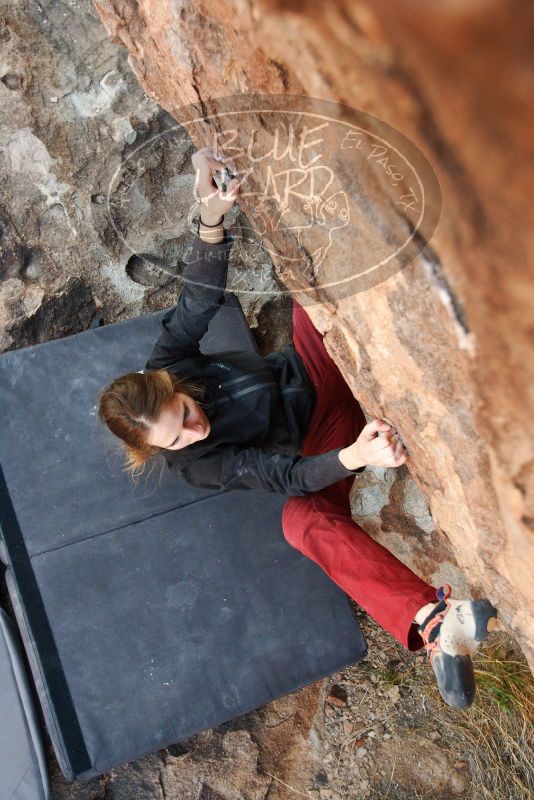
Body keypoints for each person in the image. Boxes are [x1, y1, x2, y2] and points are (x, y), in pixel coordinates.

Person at [98, 146, 498, 709]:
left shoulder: (172, 360)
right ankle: (436, 624)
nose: (193, 429)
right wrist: (355, 456)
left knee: (311, 286)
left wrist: (211, 213)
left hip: (312, 367)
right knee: (298, 522)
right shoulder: (198, 465)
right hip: (324, 441)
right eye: (174, 439)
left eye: (184, 413)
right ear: (155, 450)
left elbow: (198, 300)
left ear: (169, 385)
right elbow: (281, 474)